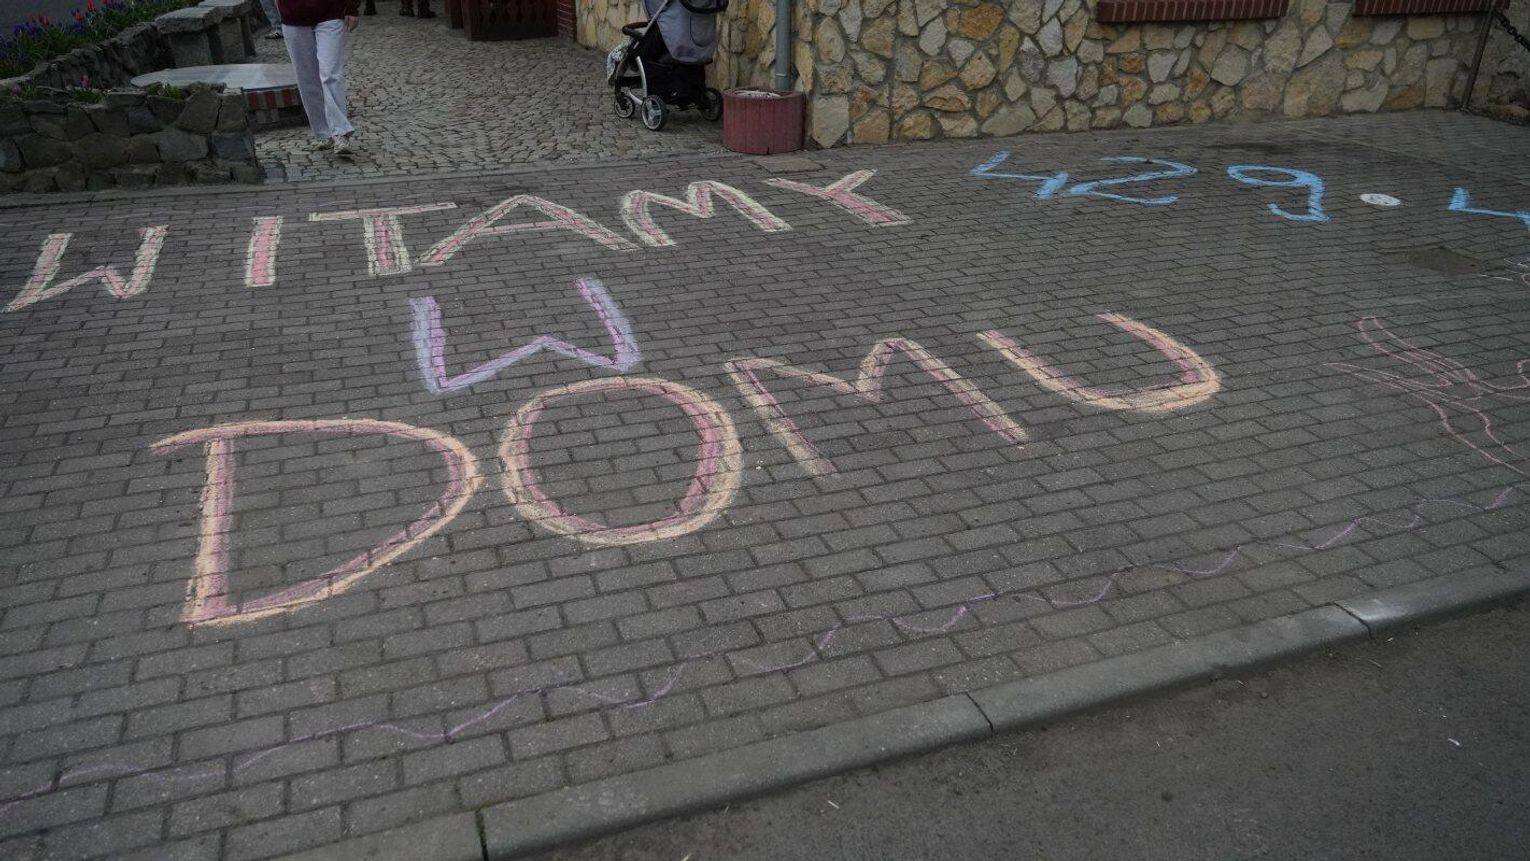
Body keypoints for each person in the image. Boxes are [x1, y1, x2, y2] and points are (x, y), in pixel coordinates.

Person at [277, 0, 361, 157]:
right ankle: (324, 132)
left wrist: (352, 7)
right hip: (293, 15)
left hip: (330, 12)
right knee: (307, 79)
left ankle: (340, 132)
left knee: (330, 73)